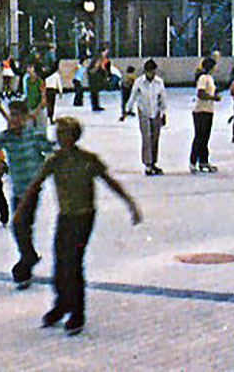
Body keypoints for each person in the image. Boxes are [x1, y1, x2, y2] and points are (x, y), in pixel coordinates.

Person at [16, 117, 141, 336]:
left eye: (65, 133)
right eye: (58, 133)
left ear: (74, 135)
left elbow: (109, 181)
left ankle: (77, 312)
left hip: (84, 217)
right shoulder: (53, 161)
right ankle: (62, 303)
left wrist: (130, 203)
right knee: (59, 262)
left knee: (73, 263)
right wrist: (20, 210)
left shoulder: (87, 159)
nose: (60, 137)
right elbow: (35, 185)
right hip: (65, 217)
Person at [0, 100, 51, 288]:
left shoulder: (34, 135)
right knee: (19, 227)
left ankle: (25, 265)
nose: (13, 119)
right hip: (18, 190)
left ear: (25, 118)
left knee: (20, 224)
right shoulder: (6, 137)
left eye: (17, 115)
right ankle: (28, 257)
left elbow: (50, 150)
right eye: (12, 115)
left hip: (32, 189)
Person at [125, 59, 167, 175]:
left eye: (153, 71)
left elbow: (163, 98)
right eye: (149, 72)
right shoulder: (139, 82)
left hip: (156, 112)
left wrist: (164, 114)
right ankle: (147, 164)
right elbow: (133, 95)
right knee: (146, 138)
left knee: (155, 138)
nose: (151, 74)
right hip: (143, 112)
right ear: (145, 71)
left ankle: (153, 162)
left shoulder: (159, 82)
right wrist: (127, 109)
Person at [190, 57, 220, 174]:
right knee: (199, 137)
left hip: (208, 110)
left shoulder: (210, 78)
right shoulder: (203, 78)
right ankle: (193, 162)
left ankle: (204, 161)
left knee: (205, 137)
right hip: (200, 111)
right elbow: (200, 94)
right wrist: (213, 97)